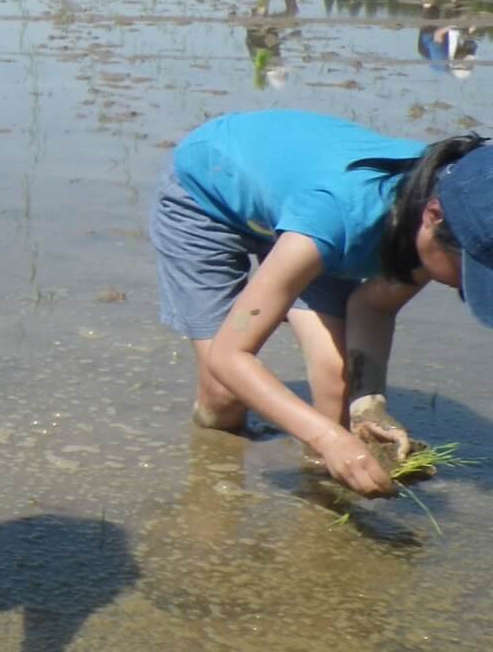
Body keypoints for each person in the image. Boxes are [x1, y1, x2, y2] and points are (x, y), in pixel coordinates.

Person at [149, 108, 493, 497]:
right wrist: (330, 440)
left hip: (302, 212)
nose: (463, 286)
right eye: (469, 273)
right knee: (225, 400)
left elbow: (373, 306)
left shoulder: (451, 208)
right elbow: (230, 356)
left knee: (338, 384)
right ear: (432, 217)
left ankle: (320, 494)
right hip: (208, 189)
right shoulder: (342, 216)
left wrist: (369, 407)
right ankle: (210, 486)